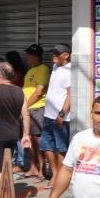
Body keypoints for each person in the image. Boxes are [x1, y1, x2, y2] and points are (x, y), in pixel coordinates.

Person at [41, 43, 73, 179]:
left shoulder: (70, 71)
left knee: (61, 148)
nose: (53, 56)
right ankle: (54, 174)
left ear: (66, 55)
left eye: (57, 54)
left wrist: (62, 113)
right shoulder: (55, 67)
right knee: (46, 145)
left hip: (60, 117)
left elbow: (70, 94)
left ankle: (60, 176)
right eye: (53, 53)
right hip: (48, 114)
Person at [22, 44, 51, 180]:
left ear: (36, 56)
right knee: (29, 139)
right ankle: (33, 167)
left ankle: (41, 169)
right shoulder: (30, 71)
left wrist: (25, 106)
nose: (27, 57)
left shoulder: (43, 69)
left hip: (37, 108)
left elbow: (39, 92)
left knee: (38, 140)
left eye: (29, 55)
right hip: (27, 109)